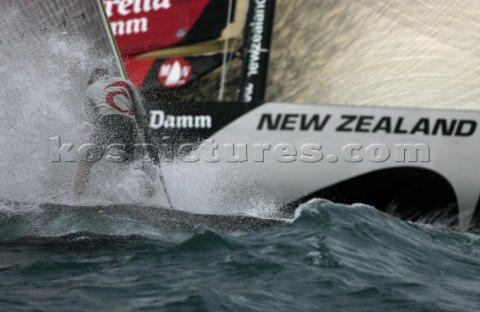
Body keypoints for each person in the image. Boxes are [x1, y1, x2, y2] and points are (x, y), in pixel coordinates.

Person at [73, 68, 148, 197]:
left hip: (108, 122)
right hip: (129, 124)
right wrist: (142, 130)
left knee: (87, 161)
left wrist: (97, 135)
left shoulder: (90, 89)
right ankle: (132, 191)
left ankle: (77, 195)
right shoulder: (127, 83)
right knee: (127, 162)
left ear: (94, 77)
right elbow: (140, 112)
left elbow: (92, 118)